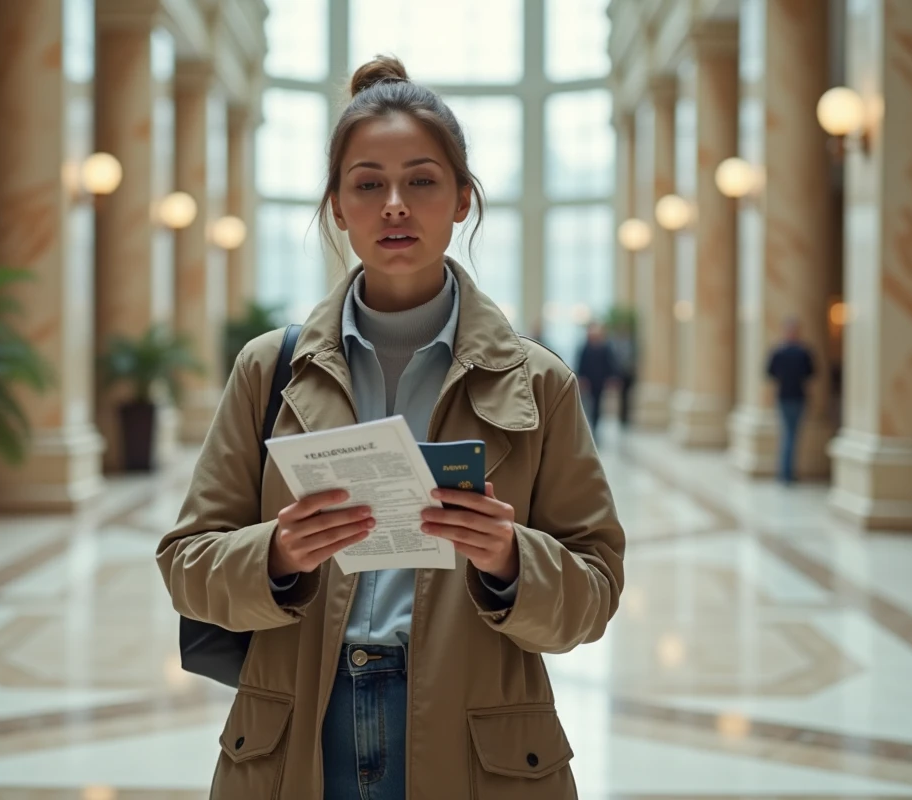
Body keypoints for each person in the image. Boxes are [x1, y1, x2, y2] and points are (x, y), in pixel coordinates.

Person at [157, 56, 625, 800]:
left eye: (423, 180)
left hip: (479, 741)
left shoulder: (539, 383)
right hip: (298, 731)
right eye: (368, 183)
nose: (395, 205)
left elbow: (596, 591)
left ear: (463, 199)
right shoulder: (267, 369)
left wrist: (509, 559)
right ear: (338, 207)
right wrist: (275, 552)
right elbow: (186, 564)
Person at [766, 317, 816, 485]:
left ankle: (785, 472)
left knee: (788, 434)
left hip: (786, 396)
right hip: (795, 396)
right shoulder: (802, 352)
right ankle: (787, 473)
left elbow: (769, 373)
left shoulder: (779, 351)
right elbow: (811, 373)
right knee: (791, 435)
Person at [575, 321, 618, 436]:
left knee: (597, 406)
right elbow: (580, 364)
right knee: (586, 405)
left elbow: (610, 364)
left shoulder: (604, 348)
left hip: (600, 381)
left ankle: (595, 428)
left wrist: (611, 378)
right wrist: (581, 378)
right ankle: (585, 428)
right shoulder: (585, 348)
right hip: (587, 381)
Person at [607, 319, 636, 427]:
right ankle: (621, 416)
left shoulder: (631, 344)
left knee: (627, 396)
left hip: (628, 374)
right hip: (620, 374)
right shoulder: (614, 344)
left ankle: (625, 417)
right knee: (621, 396)